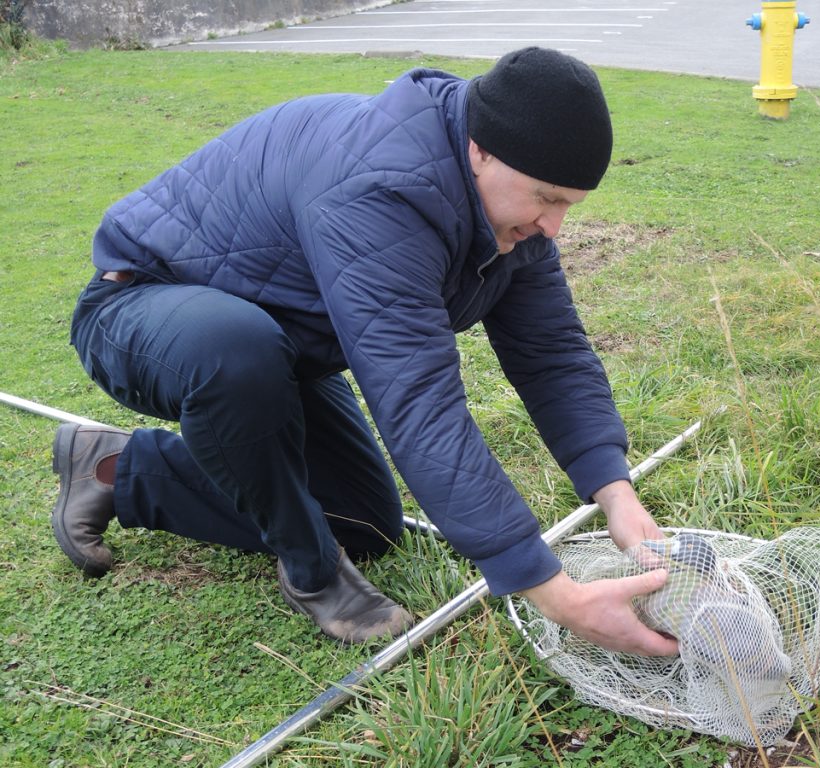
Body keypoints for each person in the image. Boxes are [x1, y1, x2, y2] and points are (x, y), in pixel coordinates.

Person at [50, 46, 678, 656]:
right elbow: (419, 403)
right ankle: (313, 574)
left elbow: (552, 353)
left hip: (281, 340)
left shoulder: (508, 207)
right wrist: (557, 596)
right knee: (236, 355)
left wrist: (616, 495)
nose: (554, 226)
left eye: (568, 205)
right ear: (480, 150)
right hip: (145, 310)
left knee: (366, 522)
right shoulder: (381, 188)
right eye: (546, 198)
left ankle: (112, 467)